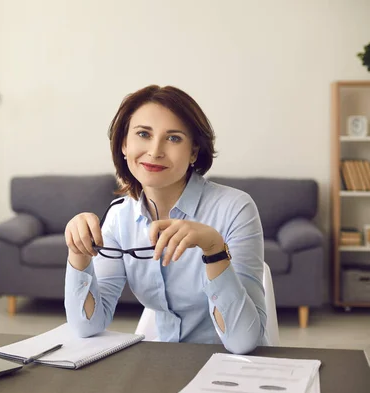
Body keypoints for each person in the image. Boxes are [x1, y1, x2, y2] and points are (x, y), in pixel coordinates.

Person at [64, 85, 268, 354]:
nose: (155, 150)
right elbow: (87, 327)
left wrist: (214, 250)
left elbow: (242, 342)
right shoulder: (118, 216)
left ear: (194, 152)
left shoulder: (235, 208)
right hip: (163, 364)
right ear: (124, 144)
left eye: (173, 138)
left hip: (231, 369)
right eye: (143, 134)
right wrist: (78, 253)